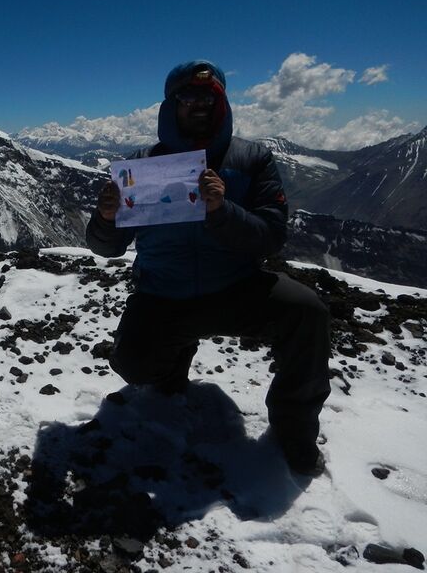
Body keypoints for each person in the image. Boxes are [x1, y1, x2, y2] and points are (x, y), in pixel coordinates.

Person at [86, 60, 331, 476]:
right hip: (164, 293)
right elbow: (105, 248)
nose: (199, 104)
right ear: (171, 105)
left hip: (236, 288)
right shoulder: (140, 166)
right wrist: (106, 219)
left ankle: (294, 431)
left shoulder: (252, 159)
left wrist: (222, 210)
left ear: (222, 102)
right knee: (132, 365)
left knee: (308, 312)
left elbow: (272, 236)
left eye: (209, 96)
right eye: (188, 97)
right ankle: (174, 360)